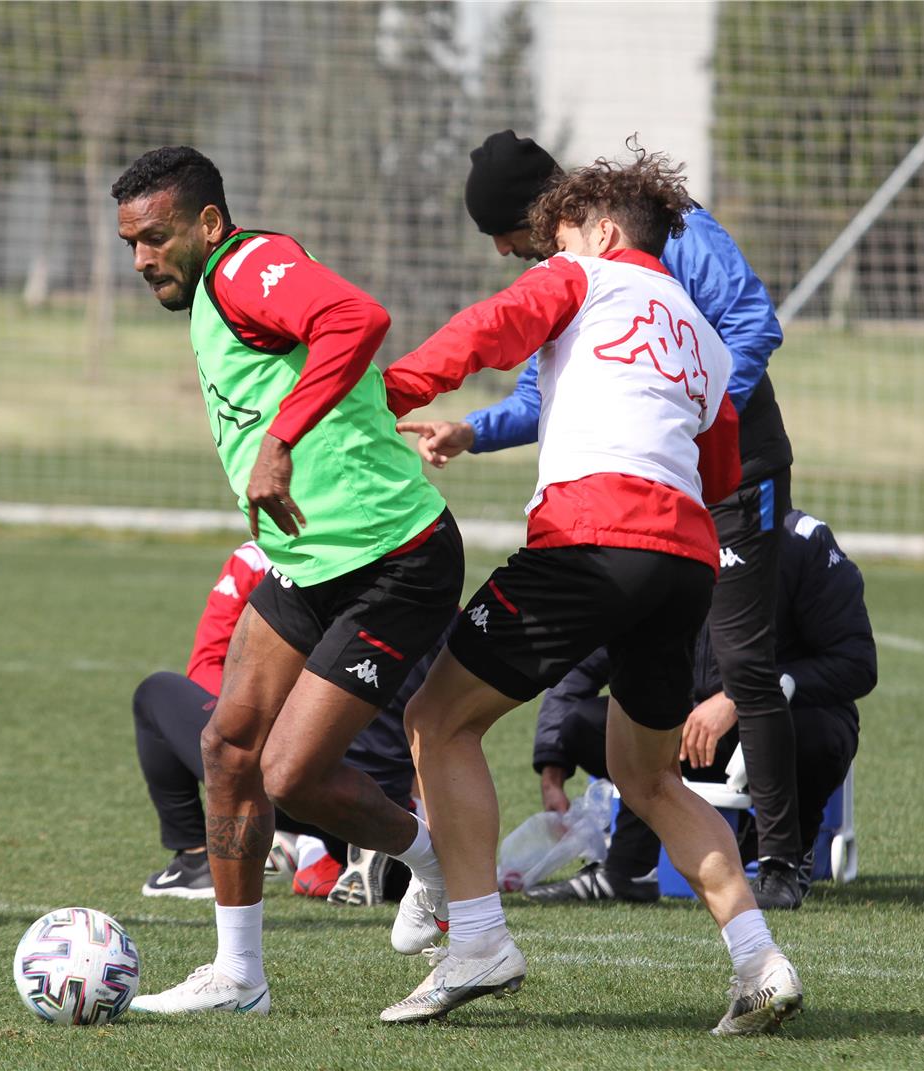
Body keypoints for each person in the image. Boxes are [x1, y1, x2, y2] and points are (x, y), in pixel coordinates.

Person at [378, 148, 803, 1035]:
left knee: (435, 719)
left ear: (603, 233)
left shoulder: (582, 276)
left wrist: (389, 391)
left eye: (561, 235)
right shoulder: (700, 335)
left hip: (592, 536)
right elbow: (720, 466)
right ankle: (762, 961)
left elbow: (490, 328)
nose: (549, 252)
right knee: (649, 776)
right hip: (685, 563)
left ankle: (478, 940)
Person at [111, 146, 463, 1016]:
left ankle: (432, 862)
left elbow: (356, 316)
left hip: (392, 558)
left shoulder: (247, 265)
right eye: (130, 244)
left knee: (291, 774)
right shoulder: (208, 294)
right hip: (310, 562)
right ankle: (239, 977)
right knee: (227, 747)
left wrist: (279, 443)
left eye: (155, 237)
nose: (142, 258)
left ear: (208, 222)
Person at [529, 509, 877, 903]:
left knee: (816, 733)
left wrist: (743, 696)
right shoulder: (660, 534)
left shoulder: (801, 541)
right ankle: (630, 868)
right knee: (585, 724)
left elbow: (856, 663)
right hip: (685, 734)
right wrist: (553, 768)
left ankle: (784, 860)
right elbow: (587, 657)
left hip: (775, 726)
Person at [133, 540, 427, 906]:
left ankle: (197, 860)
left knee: (159, 693)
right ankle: (398, 844)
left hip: (293, 778)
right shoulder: (425, 568)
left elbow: (207, 666)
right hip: (378, 802)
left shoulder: (264, 559)